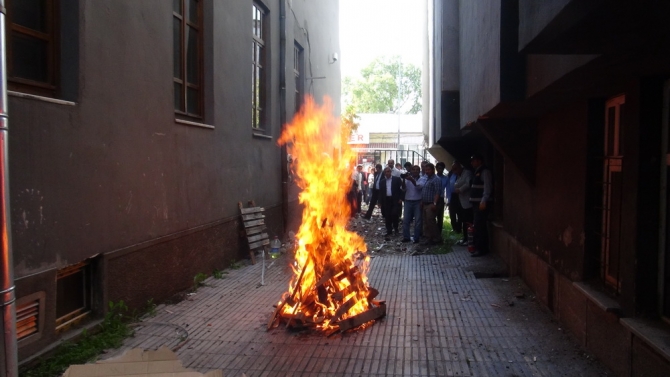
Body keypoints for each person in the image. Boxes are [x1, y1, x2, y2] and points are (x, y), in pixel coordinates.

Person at [469, 153, 493, 257]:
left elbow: (488, 187)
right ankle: (478, 247)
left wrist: (484, 200)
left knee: (480, 226)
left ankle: (482, 249)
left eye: (474, 160)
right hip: (476, 203)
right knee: (478, 226)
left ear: (479, 161)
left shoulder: (485, 171)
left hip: (481, 204)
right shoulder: (477, 171)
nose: (472, 163)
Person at [401, 165, 425, 243]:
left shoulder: (422, 179)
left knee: (418, 221)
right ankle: (406, 237)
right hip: (408, 201)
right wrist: (404, 179)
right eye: (413, 169)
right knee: (406, 220)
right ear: (411, 171)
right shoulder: (408, 178)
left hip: (417, 201)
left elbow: (418, 187)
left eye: (416, 170)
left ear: (419, 171)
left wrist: (412, 180)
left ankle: (416, 237)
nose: (415, 171)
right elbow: (403, 189)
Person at [421, 163, 443, 245]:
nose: (427, 171)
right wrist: (422, 202)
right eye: (426, 170)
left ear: (433, 170)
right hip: (425, 203)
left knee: (430, 221)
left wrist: (434, 203)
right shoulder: (427, 178)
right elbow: (425, 191)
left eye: (428, 170)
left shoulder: (436, 179)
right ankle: (429, 238)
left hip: (431, 204)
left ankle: (437, 238)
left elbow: (438, 193)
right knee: (426, 222)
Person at [379, 167, 404, 235]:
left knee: (394, 214)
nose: (387, 173)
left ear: (391, 172)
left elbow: (402, 189)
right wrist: (380, 202)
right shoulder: (382, 182)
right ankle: (389, 230)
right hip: (386, 200)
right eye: (386, 172)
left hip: (395, 200)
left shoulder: (396, 179)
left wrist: (401, 198)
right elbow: (381, 192)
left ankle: (396, 229)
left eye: (388, 172)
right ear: (384, 173)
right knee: (387, 216)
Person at [453, 163, 473, 246]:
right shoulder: (459, 175)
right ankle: (465, 237)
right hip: (461, 201)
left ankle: (469, 239)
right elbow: (455, 184)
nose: (454, 172)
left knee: (468, 221)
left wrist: (460, 189)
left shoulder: (467, 173)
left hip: (467, 201)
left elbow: (468, 184)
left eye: (455, 169)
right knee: (462, 220)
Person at [435, 162, 451, 234]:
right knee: (432, 216)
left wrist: (448, 200)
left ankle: (439, 233)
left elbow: (448, 190)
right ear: (436, 168)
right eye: (438, 168)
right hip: (433, 198)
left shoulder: (446, 178)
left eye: (441, 168)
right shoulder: (433, 177)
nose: (440, 170)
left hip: (441, 198)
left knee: (440, 216)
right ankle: (433, 232)